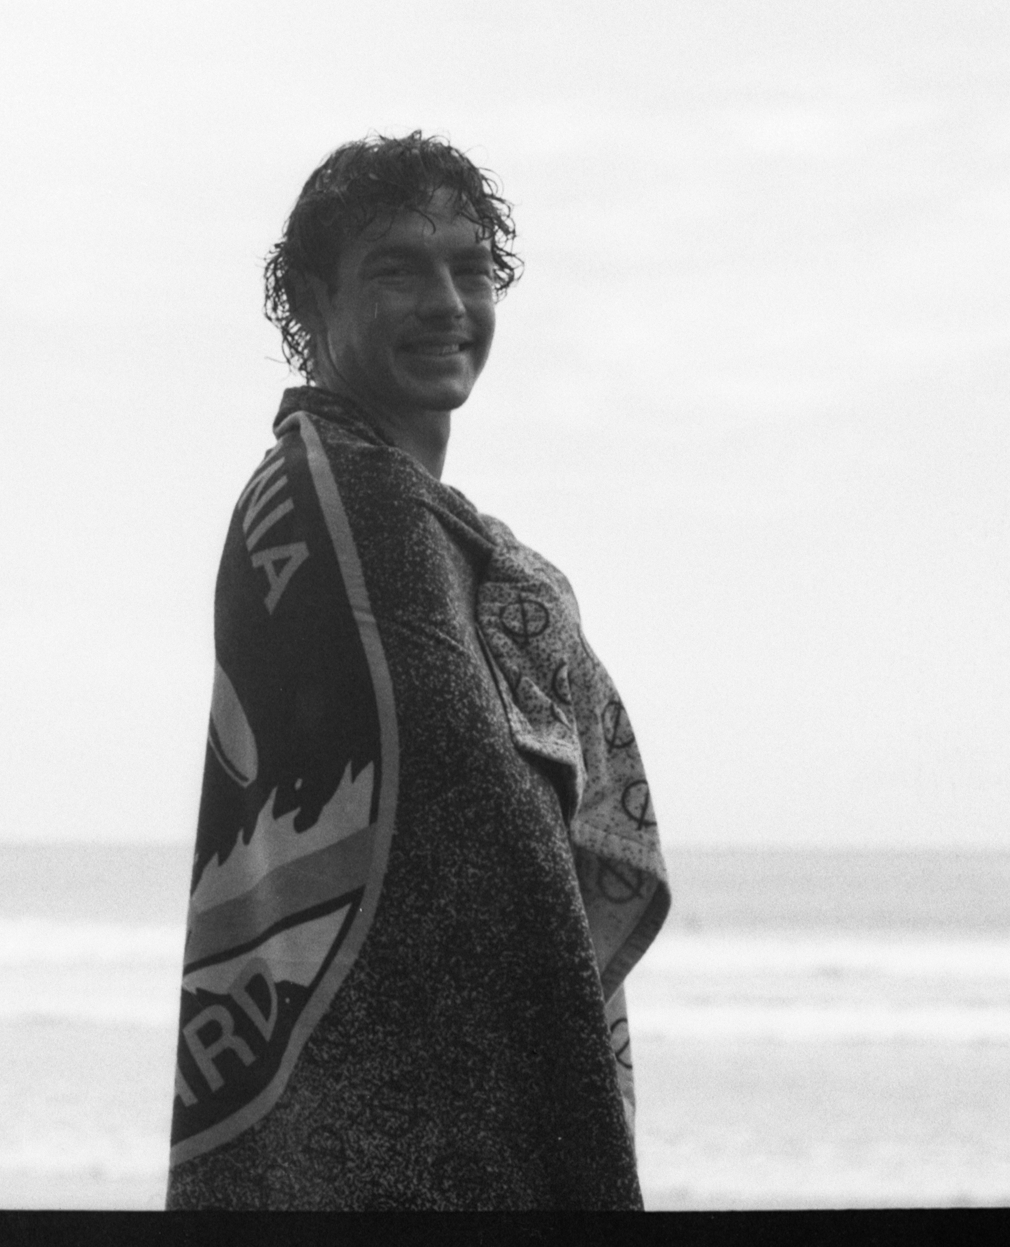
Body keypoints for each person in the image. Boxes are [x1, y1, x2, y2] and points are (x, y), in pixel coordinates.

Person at [165, 133, 670, 1211]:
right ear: (313, 297)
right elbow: (477, 830)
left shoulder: (408, 519)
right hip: (411, 1141)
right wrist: (578, 1147)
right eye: (399, 268)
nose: (449, 302)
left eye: (471, 270)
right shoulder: (342, 502)